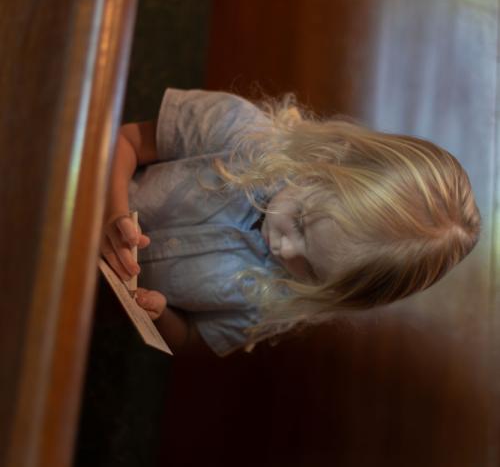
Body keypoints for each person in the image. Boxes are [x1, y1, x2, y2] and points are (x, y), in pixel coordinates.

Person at [100, 88, 481, 357]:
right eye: (300, 221)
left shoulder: (278, 305)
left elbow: (188, 337)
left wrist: (159, 312)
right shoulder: (239, 131)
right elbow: (125, 143)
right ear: (324, 162)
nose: (285, 248)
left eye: (311, 269)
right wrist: (113, 212)